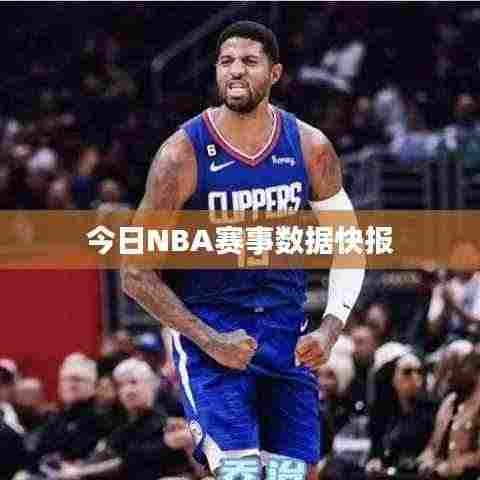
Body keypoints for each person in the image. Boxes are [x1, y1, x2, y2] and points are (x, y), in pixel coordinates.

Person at [121, 21, 365, 480]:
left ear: (274, 73)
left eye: (249, 62)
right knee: (239, 471)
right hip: (211, 338)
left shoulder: (310, 147)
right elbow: (135, 272)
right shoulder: (180, 155)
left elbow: (350, 244)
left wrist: (332, 328)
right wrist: (209, 340)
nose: (235, 71)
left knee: (292, 474)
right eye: (226, 62)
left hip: (285, 336)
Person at [55, 358, 194, 480]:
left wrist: (81, 471)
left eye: (134, 382)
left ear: (151, 385)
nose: (128, 390)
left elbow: (126, 461)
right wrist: (80, 467)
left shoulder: (170, 419)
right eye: (121, 385)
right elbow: (110, 456)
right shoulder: (119, 424)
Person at [365, 351, 437, 478]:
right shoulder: (382, 414)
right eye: (407, 372)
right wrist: (375, 461)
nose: (415, 377)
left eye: (419, 372)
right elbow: (376, 452)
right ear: (393, 378)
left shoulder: (432, 412)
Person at [418, 351, 480, 479]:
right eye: (445, 369)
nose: (448, 377)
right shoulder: (448, 402)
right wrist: (425, 460)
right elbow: (433, 445)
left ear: (470, 368)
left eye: (453, 369)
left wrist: (450, 466)